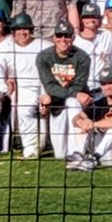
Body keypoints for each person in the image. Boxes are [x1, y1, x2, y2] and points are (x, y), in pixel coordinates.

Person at [0, 13, 47, 157]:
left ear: (31, 30)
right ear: (13, 31)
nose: (22, 33)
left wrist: (46, 94)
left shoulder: (44, 46)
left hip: (40, 88)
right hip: (12, 88)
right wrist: (6, 89)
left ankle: (37, 145)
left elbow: (50, 74)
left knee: (44, 142)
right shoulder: (3, 47)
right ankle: (1, 142)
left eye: (25, 29)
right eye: (18, 29)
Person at [37, 19, 92, 163]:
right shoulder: (44, 57)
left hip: (74, 103)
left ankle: (77, 151)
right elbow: (49, 86)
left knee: (72, 101)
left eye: (67, 36)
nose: (63, 39)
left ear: (73, 38)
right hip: (55, 103)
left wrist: (73, 94)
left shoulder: (82, 57)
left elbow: (79, 85)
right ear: (54, 38)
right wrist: (71, 93)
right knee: (60, 154)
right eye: (59, 36)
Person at [66, 67, 112, 171]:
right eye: (103, 84)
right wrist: (83, 122)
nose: (107, 87)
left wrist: (93, 124)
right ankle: (78, 156)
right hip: (98, 144)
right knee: (81, 126)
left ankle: (94, 159)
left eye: (111, 83)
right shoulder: (98, 102)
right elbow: (76, 119)